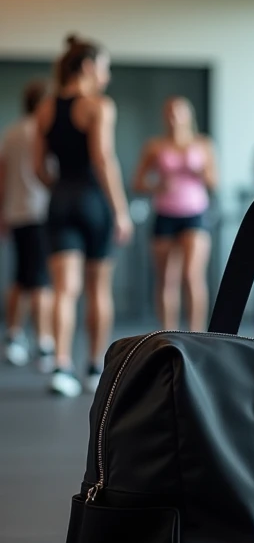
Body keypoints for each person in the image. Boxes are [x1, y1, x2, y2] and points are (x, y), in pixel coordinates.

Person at [35, 35, 133, 397]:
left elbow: (38, 167)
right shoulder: (99, 106)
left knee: (64, 289)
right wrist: (121, 211)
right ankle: (94, 368)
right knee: (97, 288)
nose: (106, 75)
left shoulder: (45, 108)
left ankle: (62, 366)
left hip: (60, 199)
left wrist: (61, 190)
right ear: (89, 66)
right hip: (94, 201)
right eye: (105, 67)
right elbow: (103, 159)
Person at [132, 97, 217, 332]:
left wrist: (199, 171)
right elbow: (137, 182)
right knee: (166, 279)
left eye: (178, 112)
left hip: (195, 214)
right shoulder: (155, 146)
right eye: (169, 113)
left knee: (191, 275)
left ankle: (196, 334)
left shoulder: (203, 144)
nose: (173, 117)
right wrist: (157, 185)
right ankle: (168, 333)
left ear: (188, 115)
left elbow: (214, 181)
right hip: (165, 214)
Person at [0, 79, 54, 370]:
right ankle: (44, 342)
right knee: (40, 281)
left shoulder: (11, 132)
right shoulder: (45, 131)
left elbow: (1, 177)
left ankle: (13, 335)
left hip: (17, 213)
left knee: (22, 277)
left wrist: (2, 214)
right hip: (41, 213)